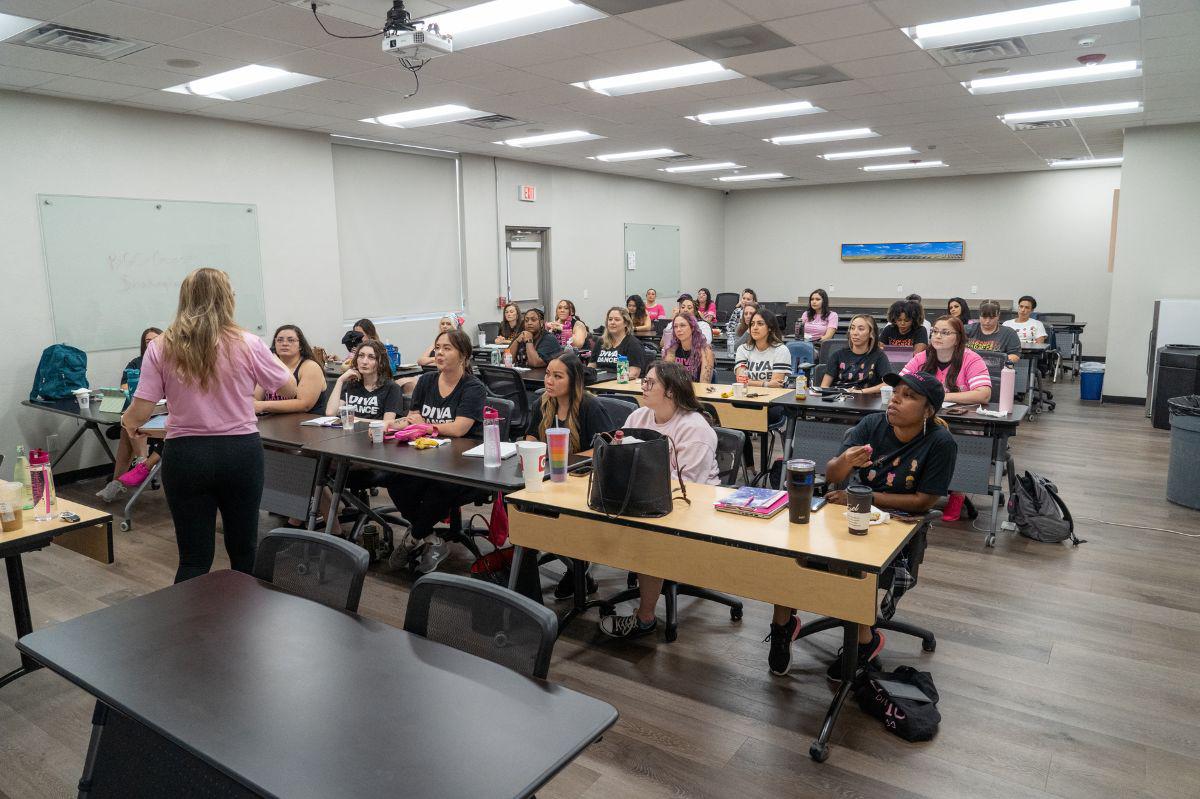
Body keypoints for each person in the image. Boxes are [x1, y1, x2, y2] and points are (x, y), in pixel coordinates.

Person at [767, 371, 957, 678]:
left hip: (897, 526)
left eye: (909, 396)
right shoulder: (872, 425)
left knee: (848, 562)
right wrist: (847, 462)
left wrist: (864, 499)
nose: (895, 399)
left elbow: (924, 501)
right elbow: (831, 474)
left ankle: (863, 640)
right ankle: (782, 625)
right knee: (790, 549)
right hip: (849, 513)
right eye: (896, 392)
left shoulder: (940, 442)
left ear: (929, 411)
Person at [122, 268, 296, 583]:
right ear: (227, 299)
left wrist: (129, 423)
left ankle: (191, 630)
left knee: (193, 558)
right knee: (245, 551)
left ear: (185, 300)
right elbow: (290, 388)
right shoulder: (249, 342)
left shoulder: (161, 346)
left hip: (186, 456)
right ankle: (249, 626)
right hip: (240, 454)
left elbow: (141, 409)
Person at [598, 361, 720, 639]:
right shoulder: (639, 417)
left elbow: (691, 488)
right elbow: (620, 457)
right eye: (644, 380)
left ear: (671, 393)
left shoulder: (695, 429)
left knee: (649, 538)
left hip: (691, 507)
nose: (643, 386)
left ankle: (645, 618)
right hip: (643, 497)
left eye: (650, 383)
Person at [388, 328, 488, 573]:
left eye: (447, 348)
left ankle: (415, 537)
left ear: (463, 355)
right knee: (395, 479)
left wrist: (425, 424)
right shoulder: (427, 380)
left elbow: (460, 428)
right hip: (426, 455)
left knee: (439, 487)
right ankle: (432, 539)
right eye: (438, 347)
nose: (439, 353)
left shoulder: (473, 387)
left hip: (464, 464)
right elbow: (413, 415)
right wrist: (404, 424)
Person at [526, 351, 616, 600]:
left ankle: (576, 567)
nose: (549, 381)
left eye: (557, 376)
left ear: (574, 380)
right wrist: (532, 449)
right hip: (548, 476)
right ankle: (566, 568)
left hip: (583, 479)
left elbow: (604, 446)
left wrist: (565, 461)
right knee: (519, 505)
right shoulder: (542, 403)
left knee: (565, 517)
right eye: (547, 375)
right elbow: (531, 436)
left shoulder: (590, 405)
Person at [901, 315, 991, 522]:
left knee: (957, 440)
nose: (937, 336)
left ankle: (958, 492)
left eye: (945, 332)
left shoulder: (971, 358)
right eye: (935, 331)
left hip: (962, 422)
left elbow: (983, 394)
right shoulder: (922, 357)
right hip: (925, 419)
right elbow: (902, 383)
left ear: (958, 337)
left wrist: (940, 396)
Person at [324, 339, 404, 536]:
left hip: (374, 451)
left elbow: (387, 423)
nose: (364, 361)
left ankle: (322, 526)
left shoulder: (390, 388)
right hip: (347, 445)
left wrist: (351, 418)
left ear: (380, 362)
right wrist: (341, 380)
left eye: (371, 357)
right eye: (361, 356)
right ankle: (327, 525)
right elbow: (330, 413)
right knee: (313, 465)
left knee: (321, 468)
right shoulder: (351, 385)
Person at [96, 326, 163, 503]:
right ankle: (138, 464)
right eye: (148, 341)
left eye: (156, 340)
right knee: (128, 426)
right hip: (146, 409)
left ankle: (138, 467)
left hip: (164, 414)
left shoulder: (168, 362)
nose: (152, 344)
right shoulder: (137, 363)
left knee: (131, 425)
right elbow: (126, 388)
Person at [255, 324, 325, 414]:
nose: (284, 343)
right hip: (274, 423)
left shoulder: (310, 367)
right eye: (280, 340)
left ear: (300, 346)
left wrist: (263, 405)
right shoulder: (269, 367)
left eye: (291, 340)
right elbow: (255, 397)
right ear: (274, 344)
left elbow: (304, 404)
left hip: (306, 424)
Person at [821, 314, 891, 393]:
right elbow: (824, 386)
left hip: (866, 400)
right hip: (839, 399)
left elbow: (888, 384)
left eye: (861, 329)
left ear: (871, 333)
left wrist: (861, 392)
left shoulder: (879, 356)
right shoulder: (837, 355)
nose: (855, 333)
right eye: (852, 328)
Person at [788, 289, 838, 373]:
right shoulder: (806, 314)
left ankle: (808, 375)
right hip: (803, 343)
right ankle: (792, 375)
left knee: (804, 350)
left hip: (819, 346)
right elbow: (799, 332)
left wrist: (812, 341)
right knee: (788, 347)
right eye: (812, 299)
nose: (814, 302)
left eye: (817, 299)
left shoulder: (832, 315)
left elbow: (828, 337)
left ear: (824, 301)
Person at [593, 306, 647, 378]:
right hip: (597, 383)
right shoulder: (601, 341)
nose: (612, 322)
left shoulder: (633, 344)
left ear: (626, 323)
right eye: (610, 319)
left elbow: (634, 373)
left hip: (620, 384)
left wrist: (613, 383)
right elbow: (591, 367)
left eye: (617, 320)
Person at [662, 313, 714, 383]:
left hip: (697, 391)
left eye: (682, 325)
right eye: (675, 326)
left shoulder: (705, 351)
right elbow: (667, 379)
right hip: (677, 390)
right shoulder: (672, 349)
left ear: (692, 328)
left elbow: (704, 384)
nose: (678, 329)